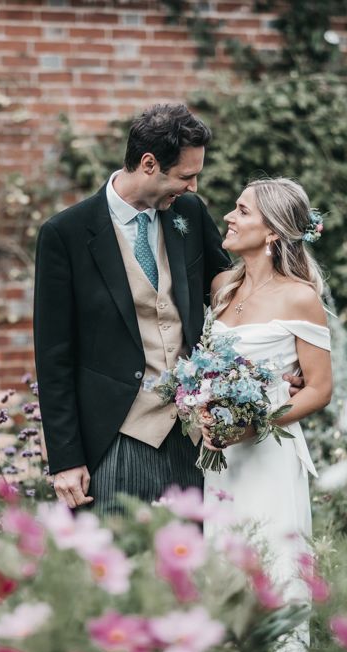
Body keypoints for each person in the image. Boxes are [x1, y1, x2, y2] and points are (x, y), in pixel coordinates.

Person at [33, 103, 230, 514]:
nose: (193, 187)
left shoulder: (189, 214)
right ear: (148, 163)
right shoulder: (65, 234)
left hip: (193, 436)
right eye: (185, 176)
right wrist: (66, 460)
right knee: (126, 568)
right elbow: (53, 357)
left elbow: (230, 291)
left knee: (191, 569)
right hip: (118, 438)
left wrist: (277, 357)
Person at [203, 177, 333, 652]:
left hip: (268, 456)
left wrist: (256, 423)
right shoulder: (222, 288)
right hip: (218, 462)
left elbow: (319, 388)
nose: (230, 217)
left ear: (273, 232)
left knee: (273, 574)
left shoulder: (299, 297)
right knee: (221, 574)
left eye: (242, 211)